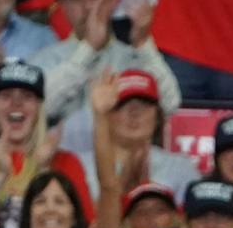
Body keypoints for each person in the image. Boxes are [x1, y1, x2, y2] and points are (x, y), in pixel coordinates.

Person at [29, 0, 181, 157]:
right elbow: (34, 111)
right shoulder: (43, 59)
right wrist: (89, 49)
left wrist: (143, 43)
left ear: (112, 1)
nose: (88, 8)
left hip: (124, 168)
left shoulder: (135, 56)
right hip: (64, 170)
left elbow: (171, 105)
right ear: (63, 6)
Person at [0, 58, 94, 228]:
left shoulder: (65, 163)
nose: (16, 103)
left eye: (27, 96)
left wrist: (44, 171)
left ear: (40, 108)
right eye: (6, 95)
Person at [85, 67, 198, 202]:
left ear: (157, 116)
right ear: (108, 114)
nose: (134, 112)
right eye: (123, 104)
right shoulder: (81, 166)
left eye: (144, 104)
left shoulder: (180, 168)